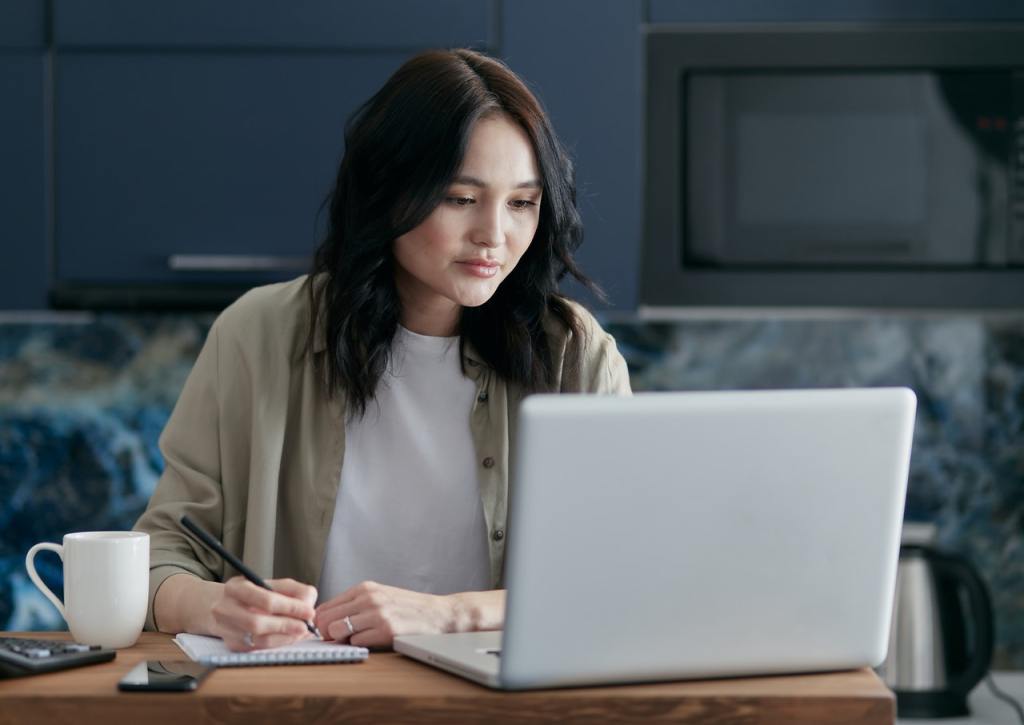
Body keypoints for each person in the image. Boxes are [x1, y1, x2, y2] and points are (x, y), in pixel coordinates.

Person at [133, 48, 631, 652]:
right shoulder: (257, 335)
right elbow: (161, 554)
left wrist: (449, 615)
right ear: (389, 193)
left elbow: (618, 577)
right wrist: (213, 604)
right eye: (460, 198)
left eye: (522, 203)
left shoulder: (573, 354)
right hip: (306, 703)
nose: (494, 234)